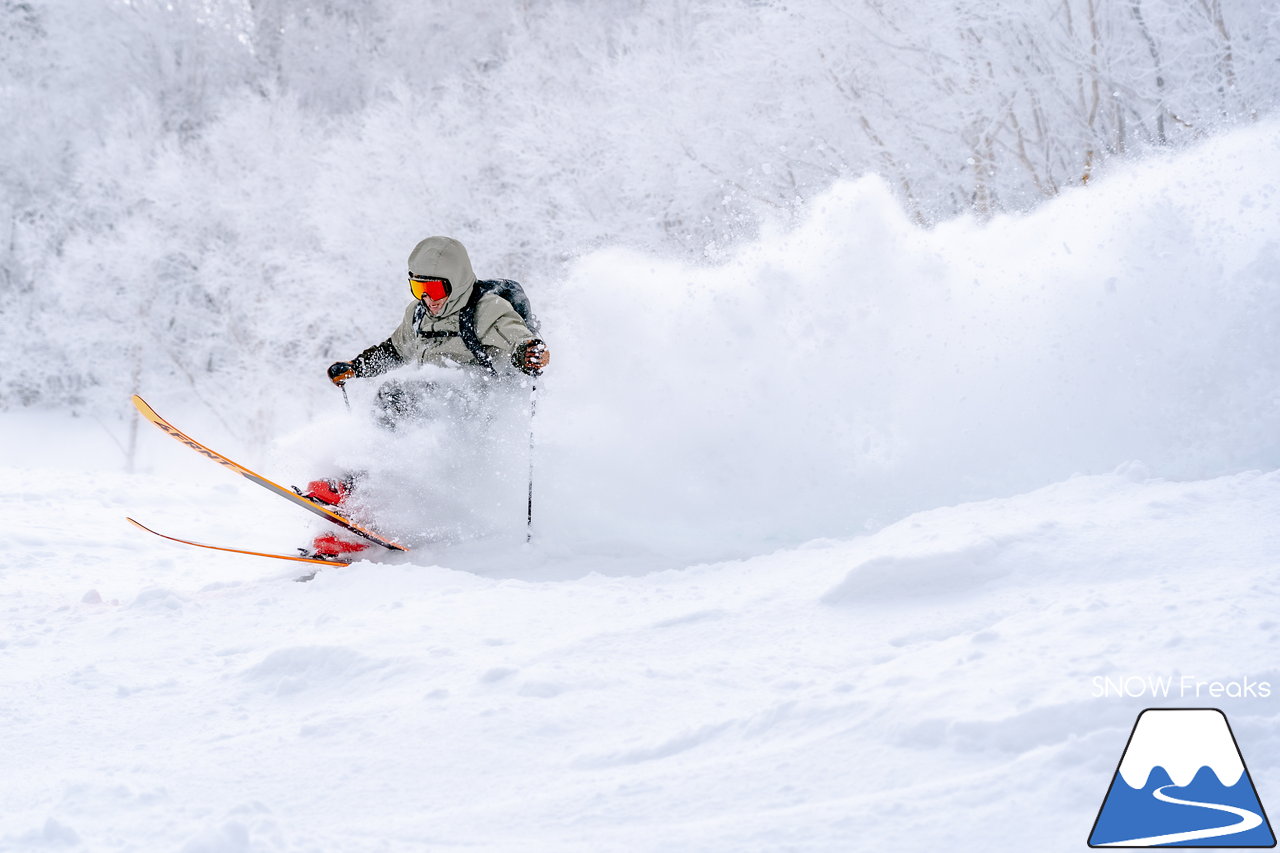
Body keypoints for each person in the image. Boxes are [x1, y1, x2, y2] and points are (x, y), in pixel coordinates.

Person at [299, 236, 550, 560]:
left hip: (478, 404)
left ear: (456, 283)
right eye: (420, 290)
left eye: (435, 291)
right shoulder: (418, 316)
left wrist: (529, 354)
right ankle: (357, 508)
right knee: (392, 405)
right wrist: (357, 367)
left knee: (405, 403)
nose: (428, 299)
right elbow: (395, 349)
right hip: (433, 398)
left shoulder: (488, 309)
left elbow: (518, 338)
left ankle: (361, 498)